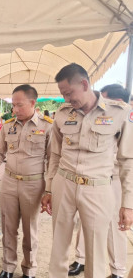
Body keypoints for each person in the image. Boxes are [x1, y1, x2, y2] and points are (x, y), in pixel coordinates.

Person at [41, 64, 133, 278]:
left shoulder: (119, 113)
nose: (67, 99)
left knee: (95, 250)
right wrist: (49, 189)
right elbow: (54, 155)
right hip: (64, 183)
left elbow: (127, 161)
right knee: (59, 245)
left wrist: (128, 205)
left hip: (97, 188)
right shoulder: (63, 114)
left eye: (69, 93)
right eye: (63, 94)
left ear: (84, 84)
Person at [0, 84, 52, 278]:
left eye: (19, 105)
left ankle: (29, 269)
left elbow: (53, 160)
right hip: (9, 183)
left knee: (30, 230)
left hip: (34, 185)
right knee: (8, 227)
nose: (15, 110)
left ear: (32, 103)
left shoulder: (47, 126)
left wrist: (49, 190)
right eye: (13, 106)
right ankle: (8, 267)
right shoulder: (7, 126)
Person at [68, 84, 130, 278]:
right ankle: (81, 259)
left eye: (103, 99)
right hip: (91, 178)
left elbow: (128, 160)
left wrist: (128, 203)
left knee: (114, 226)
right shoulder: (98, 117)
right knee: (86, 222)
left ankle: (117, 269)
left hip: (115, 180)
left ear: (115, 101)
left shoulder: (125, 118)